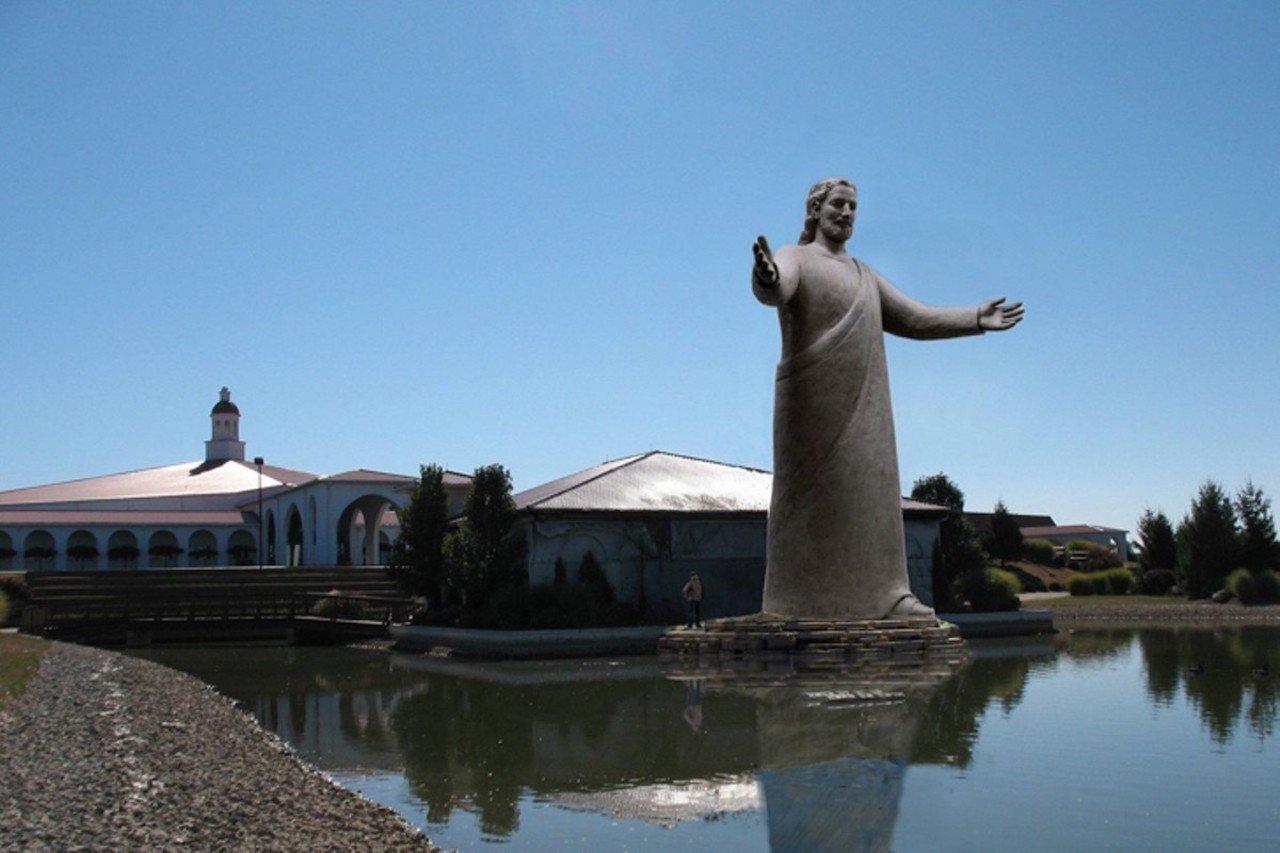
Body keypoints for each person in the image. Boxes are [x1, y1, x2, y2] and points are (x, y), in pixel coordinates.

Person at [752, 177, 1023, 620]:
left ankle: (888, 597)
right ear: (816, 210)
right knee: (808, 498)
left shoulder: (865, 276)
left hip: (866, 407)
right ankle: (792, 603)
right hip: (810, 404)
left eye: (853, 207)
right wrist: (766, 278)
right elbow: (778, 287)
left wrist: (975, 318)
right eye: (838, 204)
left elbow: (916, 318)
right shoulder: (794, 256)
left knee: (872, 494)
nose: (846, 213)